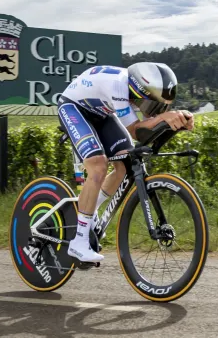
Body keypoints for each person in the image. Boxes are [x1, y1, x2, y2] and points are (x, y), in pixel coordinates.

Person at [56, 62, 194, 262]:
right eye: (151, 104)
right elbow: (136, 130)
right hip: (73, 108)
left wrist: (177, 122)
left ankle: (88, 208)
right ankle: (79, 241)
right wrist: (165, 117)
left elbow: (148, 131)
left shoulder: (130, 88)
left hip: (102, 113)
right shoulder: (118, 86)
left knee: (124, 165)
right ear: (137, 91)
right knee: (98, 165)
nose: (153, 111)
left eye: (160, 106)